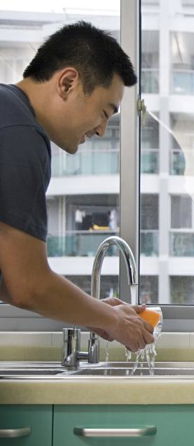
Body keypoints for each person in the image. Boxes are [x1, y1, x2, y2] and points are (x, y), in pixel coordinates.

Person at [0, 21, 154, 352]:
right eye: (104, 111)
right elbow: (29, 285)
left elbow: (11, 282)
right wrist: (113, 321)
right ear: (68, 83)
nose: (101, 130)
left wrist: (96, 313)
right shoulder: (18, 133)